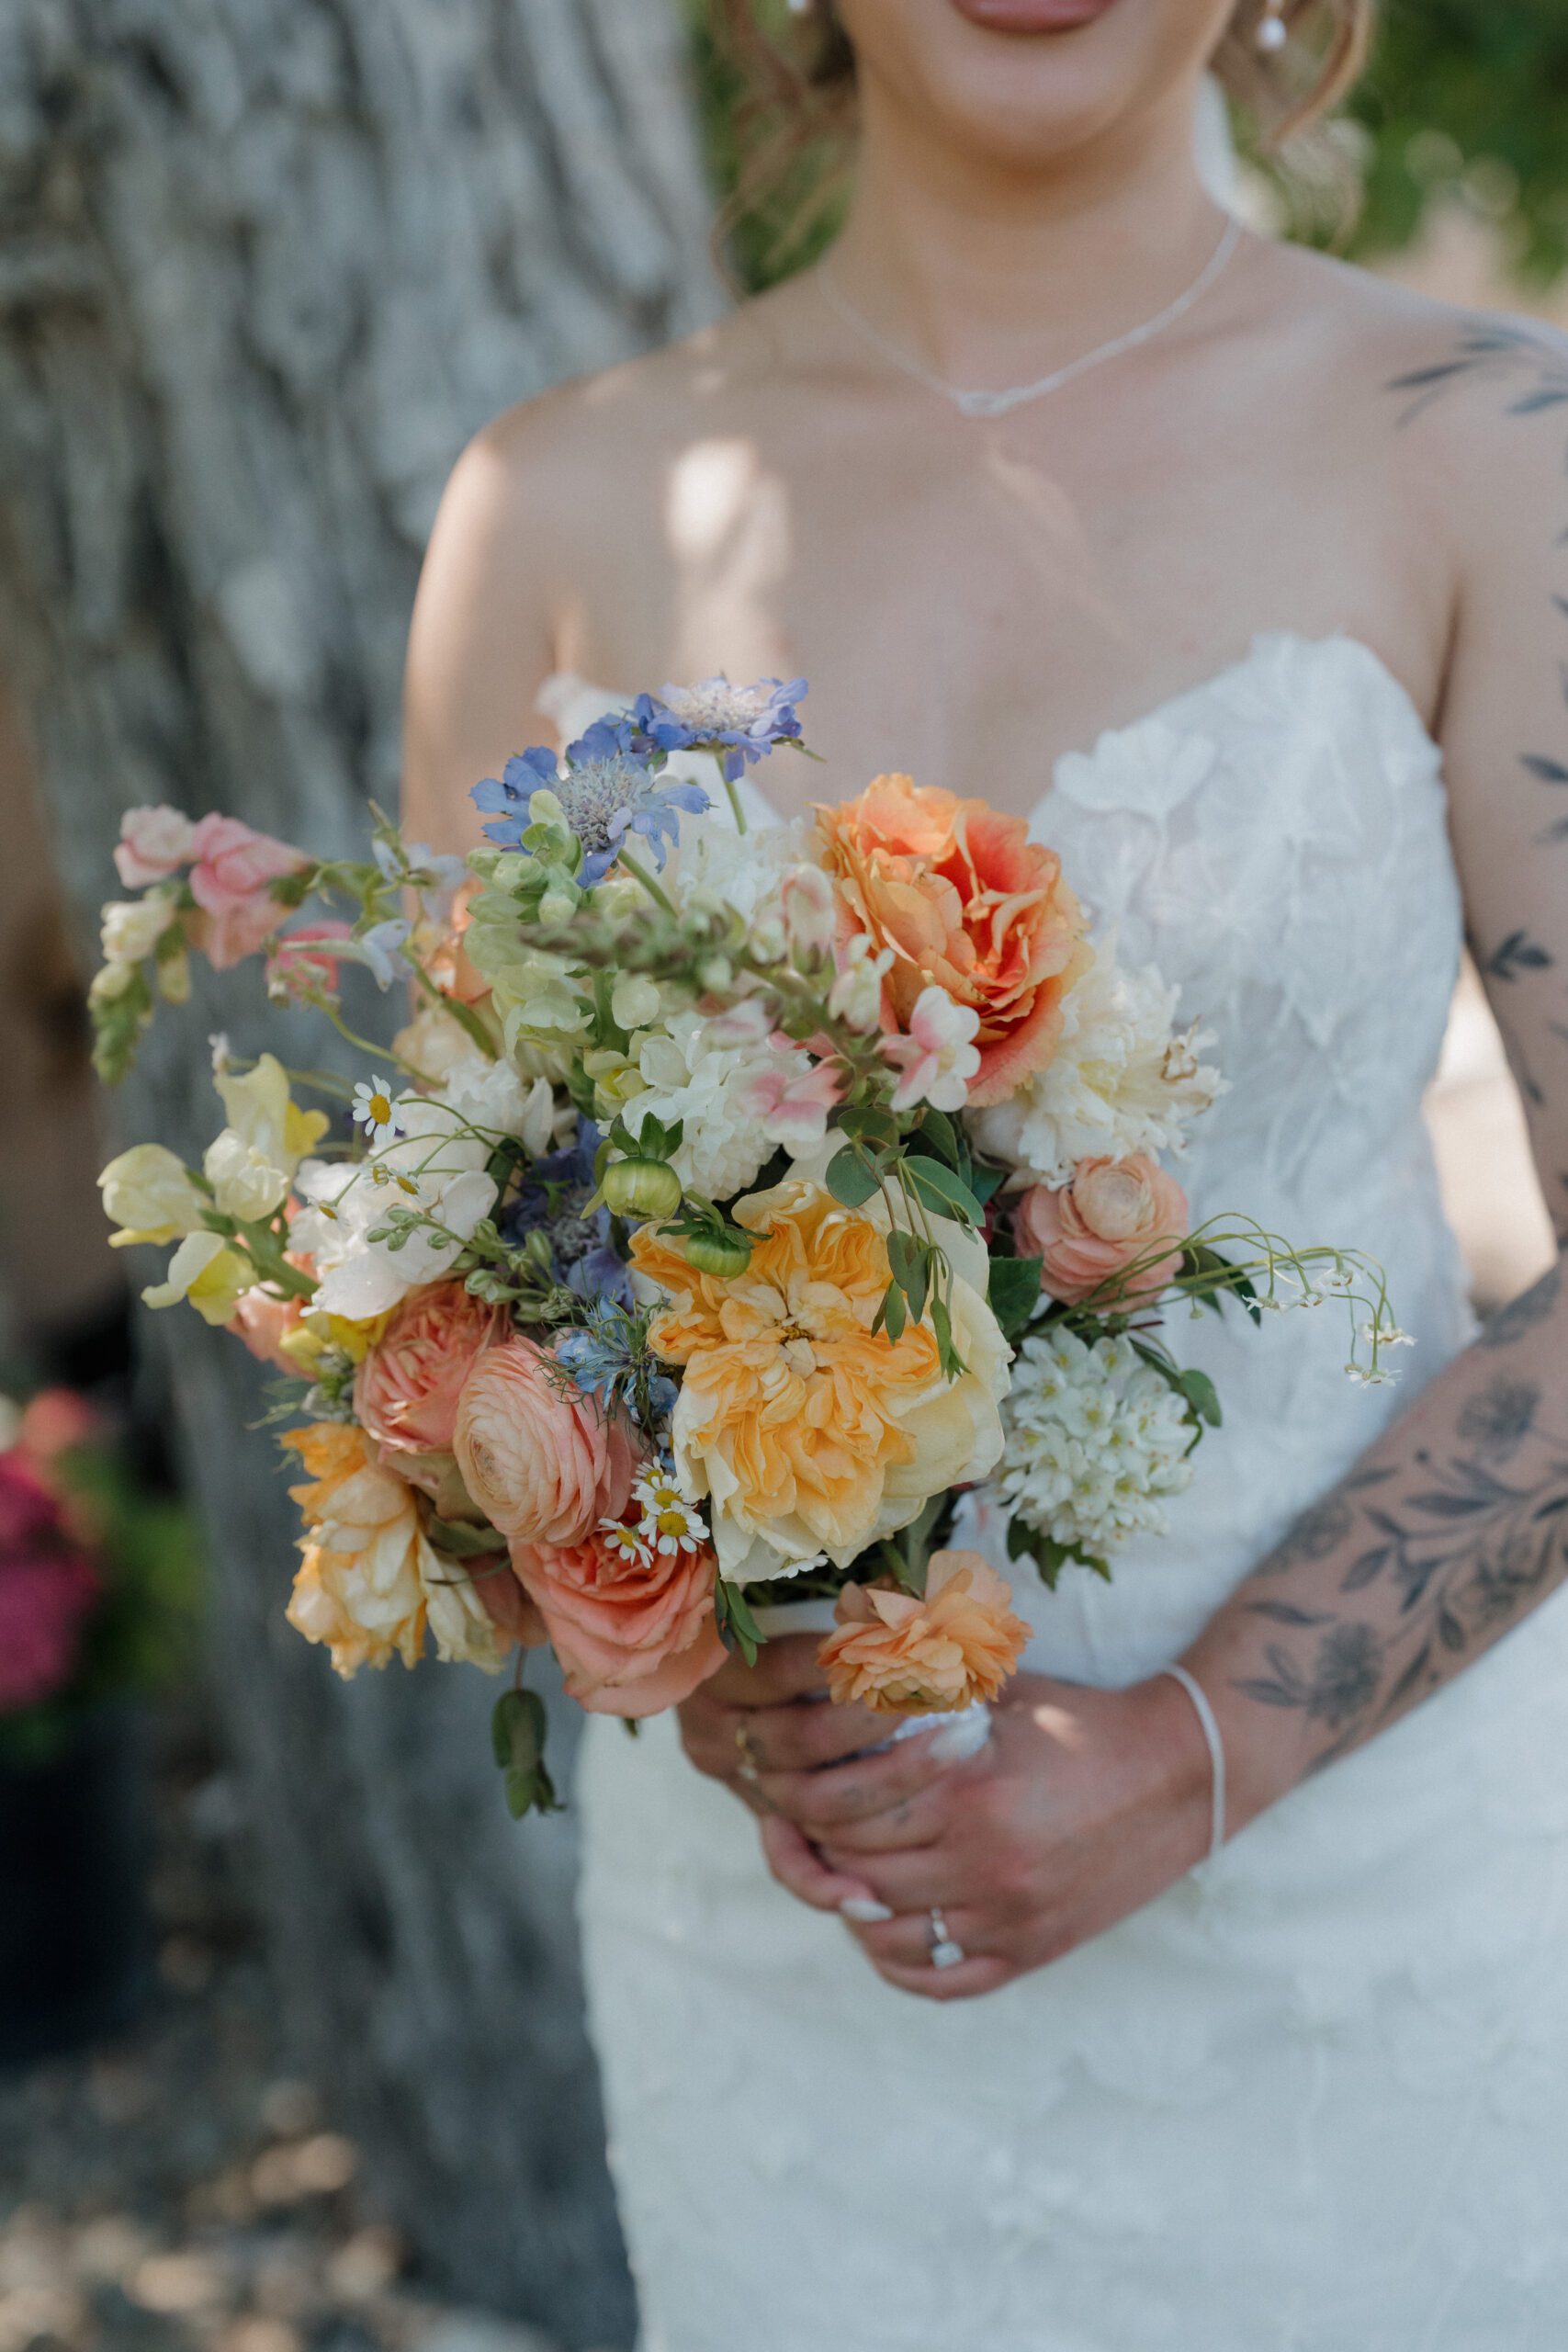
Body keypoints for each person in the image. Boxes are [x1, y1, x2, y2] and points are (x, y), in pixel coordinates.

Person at [401, 3, 1568, 2343]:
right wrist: (651, 1622)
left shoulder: (1485, 445)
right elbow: (452, 1287)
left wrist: (1192, 1751)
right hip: (786, 1953)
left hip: (1356, 1933)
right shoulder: (553, 508)